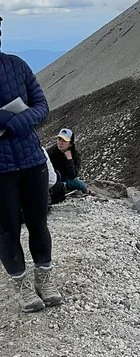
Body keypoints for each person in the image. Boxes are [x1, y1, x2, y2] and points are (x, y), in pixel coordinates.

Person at [0, 17, 60, 311]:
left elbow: (42, 106)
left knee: (39, 223)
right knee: (6, 230)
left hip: (31, 160)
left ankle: (45, 281)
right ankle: (22, 288)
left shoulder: (17, 65)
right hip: (1, 171)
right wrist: (7, 118)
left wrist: (14, 122)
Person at [48, 128, 87, 204]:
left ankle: (87, 192)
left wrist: (69, 160)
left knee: (79, 184)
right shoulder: (51, 152)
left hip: (66, 179)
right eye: (59, 139)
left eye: (64, 141)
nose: (60, 143)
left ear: (70, 144)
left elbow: (73, 175)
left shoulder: (75, 155)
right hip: (53, 179)